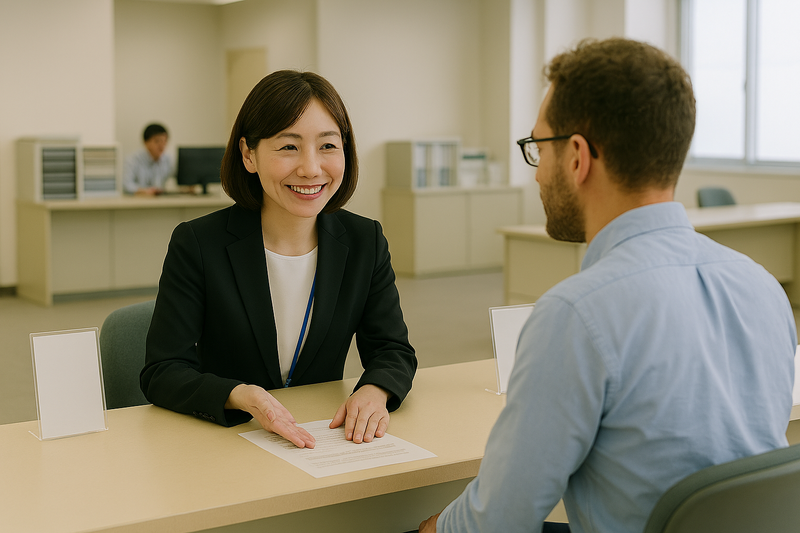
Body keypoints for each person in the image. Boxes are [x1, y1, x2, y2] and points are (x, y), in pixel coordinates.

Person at [419, 38, 796, 533]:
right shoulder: (763, 287)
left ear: (577, 157)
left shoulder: (576, 314)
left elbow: (497, 521)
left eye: (539, 148)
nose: (537, 174)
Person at [140, 70, 417, 449]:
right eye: (288, 147)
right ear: (248, 155)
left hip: (322, 438)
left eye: (328, 145)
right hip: (228, 440)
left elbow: (393, 350)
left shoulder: (364, 240)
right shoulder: (198, 243)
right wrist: (237, 394)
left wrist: (375, 388)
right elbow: (162, 371)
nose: (311, 168)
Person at [123, 123, 174, 195]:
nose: (162, 145)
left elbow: (177, 178)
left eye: (164, 141)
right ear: (146, 142)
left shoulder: (168, 160)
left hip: (160, 199)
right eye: (157, 141)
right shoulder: (133, 160)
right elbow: (126, 185)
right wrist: (143, 191)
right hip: (139, 199)